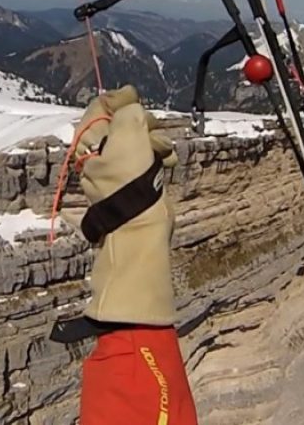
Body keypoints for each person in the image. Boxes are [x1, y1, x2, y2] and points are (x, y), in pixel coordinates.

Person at [50, 85, 199, 425]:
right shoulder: (143, 365)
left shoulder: (132, 371)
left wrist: (134, 216)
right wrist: (139, 219)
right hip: (148, 348)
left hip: (136, 354)